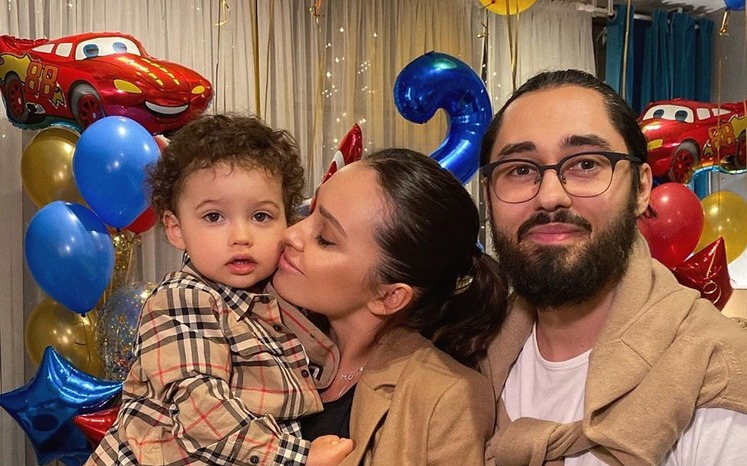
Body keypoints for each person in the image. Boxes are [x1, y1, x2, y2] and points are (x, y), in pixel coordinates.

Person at [478, 69, 747, 466]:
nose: (551, 196)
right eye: (520, 170)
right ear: (489, 195)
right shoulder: (474, 354)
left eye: (586, 164)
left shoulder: (721, 384)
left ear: (641, 188)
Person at [87, 114, 353, 466]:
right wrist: (299, 457)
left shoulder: (272, 297)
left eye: (261, 216)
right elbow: (203, 413)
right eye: (214, 217)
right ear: (176, 229)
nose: (241, 237)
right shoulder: (183, 299)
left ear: (288, 223)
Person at [272, 148, 509, 465]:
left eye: (325, 238)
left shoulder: (445, 398)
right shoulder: (258, 332)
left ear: (388, 297)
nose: (290, 234)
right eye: (309, 212)